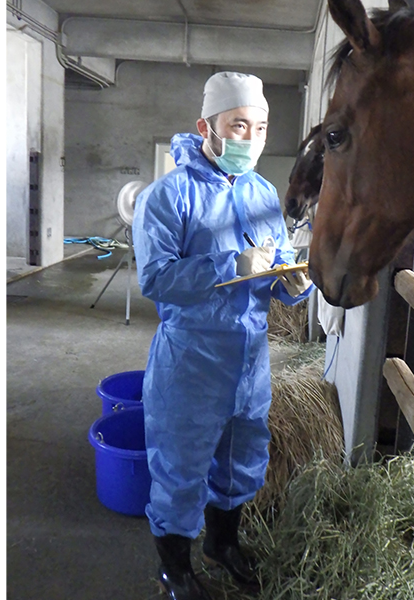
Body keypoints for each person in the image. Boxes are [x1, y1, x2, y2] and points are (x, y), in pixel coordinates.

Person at [132, 71, 314, 600]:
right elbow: (157, 278)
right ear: (205, 128)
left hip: (250, 357)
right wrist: (230, 264)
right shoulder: (167, 197)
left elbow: (274, 275)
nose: (250, 140)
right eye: (238, 127)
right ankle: (175, 570)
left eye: (259, 128)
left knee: (241, 457)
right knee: (181, 465)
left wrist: (294, 284)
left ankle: (222, 543)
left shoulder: (261, 192)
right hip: (192, 357)